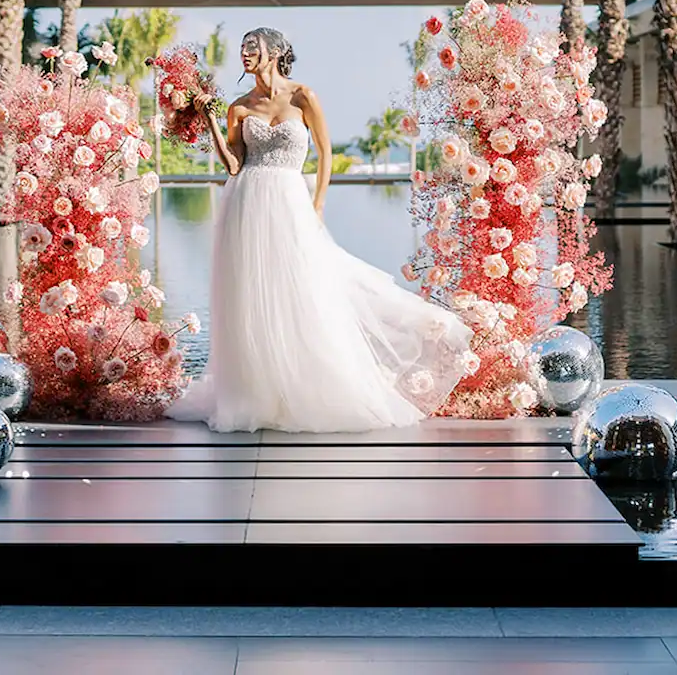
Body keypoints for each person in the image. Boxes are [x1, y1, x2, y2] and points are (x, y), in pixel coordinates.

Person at [167, 28, 472, 432]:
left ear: (274, 53)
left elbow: (326, 152)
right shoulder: (239, 107)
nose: (244, 53)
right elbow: (234, 165)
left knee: (306, 288)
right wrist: (209, 118)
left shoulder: (303, 96)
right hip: (246, 203)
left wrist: (319, 204)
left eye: (252, 47)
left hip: (291, 201)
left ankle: (306, 384)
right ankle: (256, 391)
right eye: (242, 48)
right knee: (253, 295)